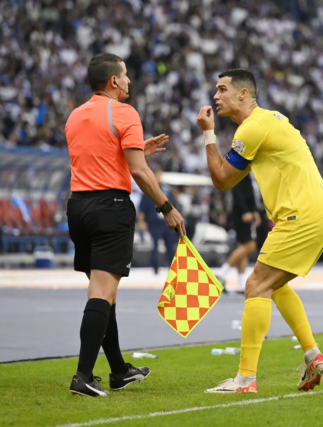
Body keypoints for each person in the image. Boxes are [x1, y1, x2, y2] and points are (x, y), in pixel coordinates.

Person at [197, 69, 323, 394]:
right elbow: (231, 176)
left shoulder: (252, 128)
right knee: (274, 284)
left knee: (255, 284)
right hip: (321, 214)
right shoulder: (270, 121)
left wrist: (208, 134)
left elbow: (220, 180)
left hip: (301, 217)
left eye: (222, 89)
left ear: (244, 94)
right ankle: (312, 354)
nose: (215, 96)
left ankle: (245, 379)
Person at [65, 53, 186, 397]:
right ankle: (83, 376)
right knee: (102, 293)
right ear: (113, 82)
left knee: (106, 295)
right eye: (126, 76)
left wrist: (136, 150)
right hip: (110, 208)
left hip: (78, 206)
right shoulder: (124, 112)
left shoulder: (74, 117)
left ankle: (118, 371)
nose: (129, 81)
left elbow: (98, 158)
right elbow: (137, 172)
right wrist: (166, 207)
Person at [214, 173, 261, 294]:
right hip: (241, 214)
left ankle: (240, 285)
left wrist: (254, 210)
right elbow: (238, 193)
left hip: (243, 213)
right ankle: (220, 274)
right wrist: (246, 211)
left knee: (242, 249)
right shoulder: (242, 170)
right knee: (250, 246)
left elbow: (249, 193)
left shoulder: (247, 172)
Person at [137, 168, 178, 275]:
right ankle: (155, 267)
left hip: (166, 223)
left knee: (170, 246)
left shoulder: (167, 191)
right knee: (154, 245)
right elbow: (142, 208)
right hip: (154, 223)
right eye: (158, 175)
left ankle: (171, 267)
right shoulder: (147, 190)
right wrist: (142, 222)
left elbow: (172, 206)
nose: (160, 178)